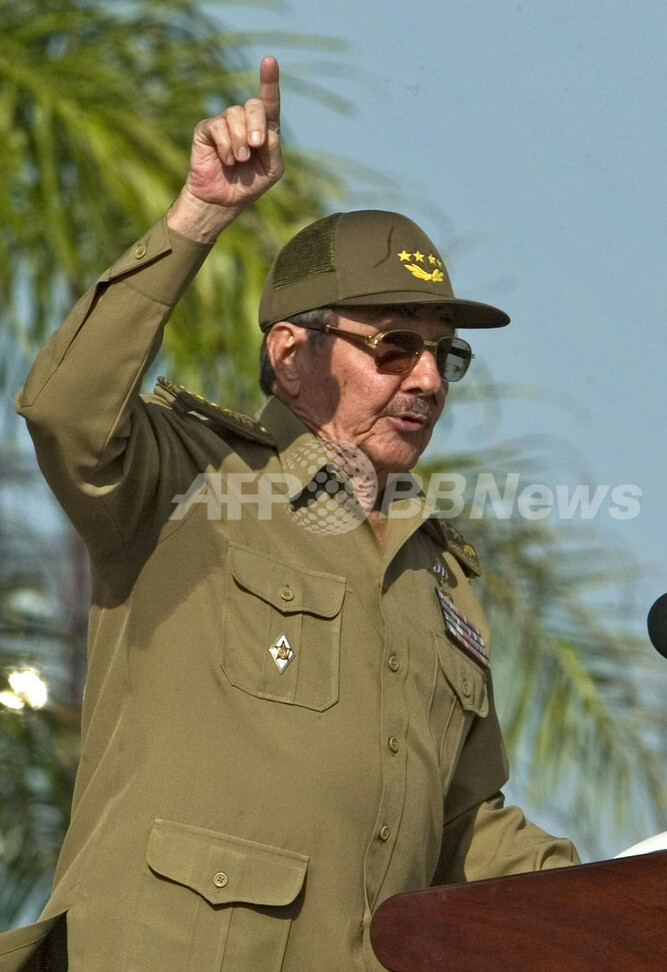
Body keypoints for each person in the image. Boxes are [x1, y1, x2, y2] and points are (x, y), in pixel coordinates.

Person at [0, 56, 577, 971]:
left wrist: (643, 899)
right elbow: (66, 410)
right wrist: (200, 214)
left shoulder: (440, 577)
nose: (428, 380)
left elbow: (463, 826)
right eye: (394, 347)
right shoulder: (190, 481)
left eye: (445, 355)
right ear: (290, 352)